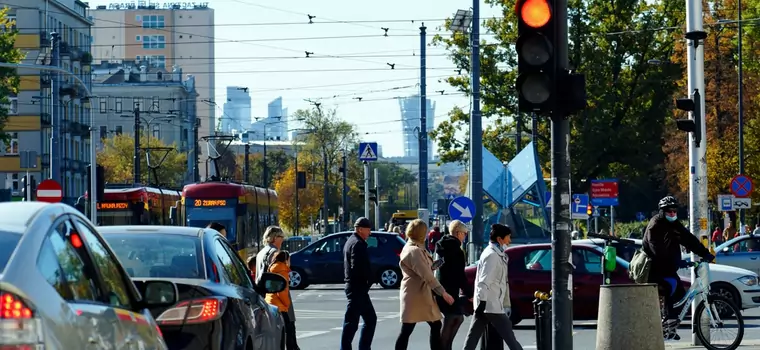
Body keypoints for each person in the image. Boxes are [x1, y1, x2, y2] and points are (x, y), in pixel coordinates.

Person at [643, 196, 715, 340]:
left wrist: (705, 253)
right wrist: (676, 261)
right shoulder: (655, 225)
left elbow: (689, 240)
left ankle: (669, 326)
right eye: (669, 211)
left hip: (668, 268)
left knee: (681, 295)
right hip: (654, 269)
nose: (672, 214)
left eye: (674, 211)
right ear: (662, 211)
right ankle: (667, 325)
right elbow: (657, 249)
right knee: (670, 287)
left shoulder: (675, 224)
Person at [395, 219, 454, 350]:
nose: (427, 234)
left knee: (433, 324)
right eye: (425, 231)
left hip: (419, 293)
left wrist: (434, 265)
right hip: (416, 293)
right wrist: (443, 292)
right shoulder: (414, 251)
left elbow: (424, 269)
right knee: (408, 328)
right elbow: (426, 274)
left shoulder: (415, 248)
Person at [462, 224, 523, 350]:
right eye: (508, 237)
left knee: (472, 337)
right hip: (491, 304)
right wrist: (483, 301)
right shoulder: (492, 256)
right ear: (500, 239)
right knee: (510, 339)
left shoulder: (496, 254)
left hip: (488, 303)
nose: (509, 241)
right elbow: (484, 281)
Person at [436, 220, 473, 350]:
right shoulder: (457, 250)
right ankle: (444, 347)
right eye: (464, 234)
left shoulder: (441, 245)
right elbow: (459, 275)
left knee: (454, 318)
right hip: (449, 290)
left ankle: (446, 346)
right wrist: (469, 293)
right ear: (458, 233)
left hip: (441, 288)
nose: (465, 236)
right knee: (454, 317)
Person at [341, 217, 377, 350]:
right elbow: (357, 268)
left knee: (363, 320)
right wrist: (367, 281)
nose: (370, 233)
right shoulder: (357, 244)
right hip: (357, 288)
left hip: (356, 288)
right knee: (354, 322)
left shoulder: (351, 241)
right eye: (368, 230)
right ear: (360, 229)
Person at [265, 251, 300, 350]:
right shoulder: (282, 271)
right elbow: (282, 292)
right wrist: (287, 304)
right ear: (286, 260)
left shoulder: (273, 268)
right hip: (280, 306)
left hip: (271, 303)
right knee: (288, 331)